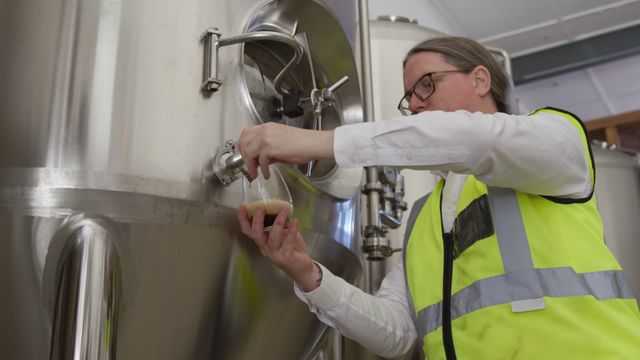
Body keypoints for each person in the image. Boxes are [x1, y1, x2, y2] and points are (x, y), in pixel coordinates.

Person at [236, 36, 640, 359]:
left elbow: (472, 138)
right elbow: (396, 332)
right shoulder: (425, 218)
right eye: (408, 97)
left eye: (426, 84)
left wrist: (318, 143)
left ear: (481, 79)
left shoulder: (556, 140)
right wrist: (305, 272)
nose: (413, 104)